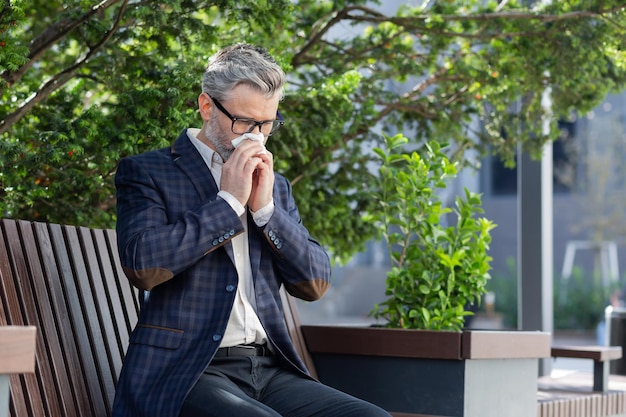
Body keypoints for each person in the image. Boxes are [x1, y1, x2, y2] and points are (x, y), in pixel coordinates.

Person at [112, 43, 391, 417]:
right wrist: (227, 203)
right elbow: (144, 266)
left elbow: (314, 283)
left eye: (267, 124)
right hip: (187, 371)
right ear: (207, 106)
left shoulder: (276, 186)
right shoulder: (149, 172)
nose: (255, 137)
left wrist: (265, 211)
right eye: (244, 123)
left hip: (270, 370)